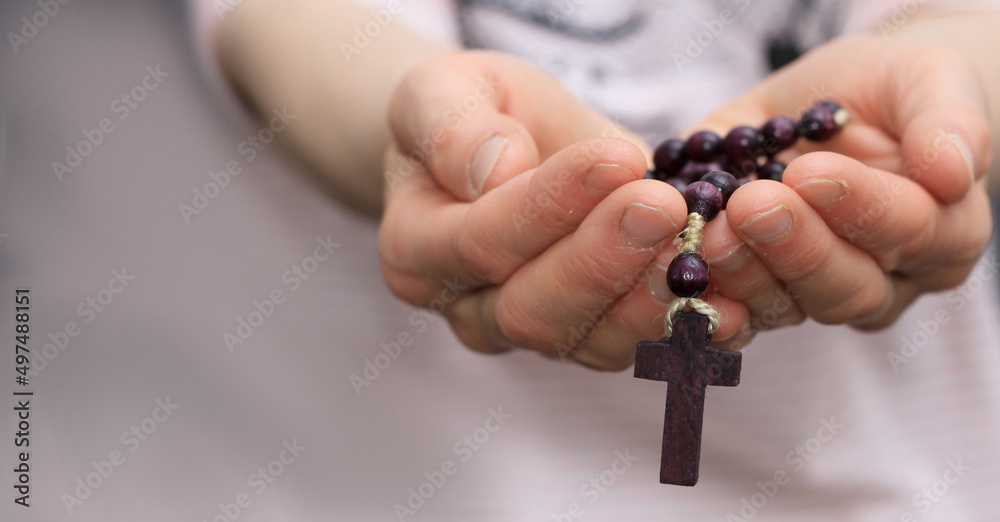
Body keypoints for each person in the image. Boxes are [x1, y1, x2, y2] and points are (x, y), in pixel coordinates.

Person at [205, 0, 1000, 519]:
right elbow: (294, 24)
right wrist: (430, 134)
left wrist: (946, 85)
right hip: (402, 481)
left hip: (889, 480)